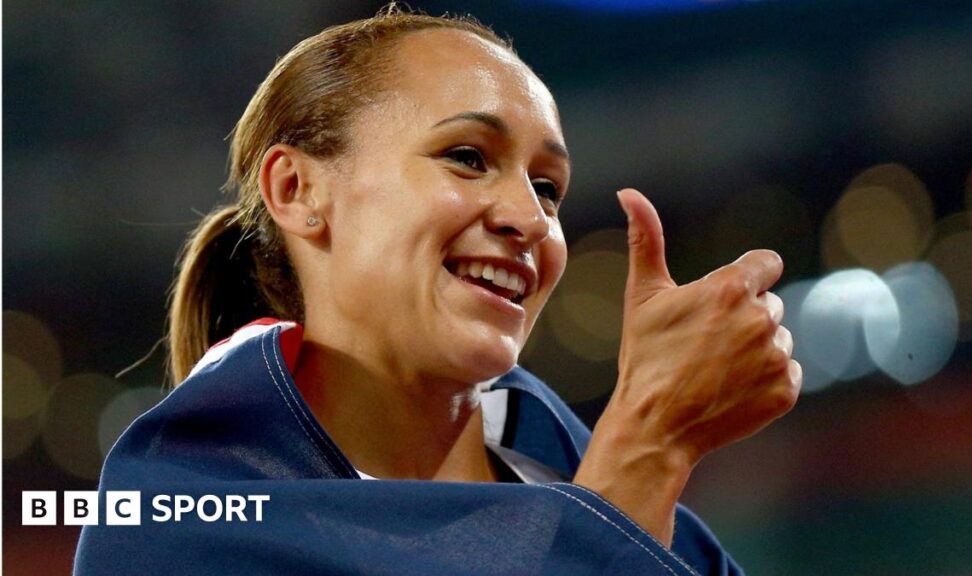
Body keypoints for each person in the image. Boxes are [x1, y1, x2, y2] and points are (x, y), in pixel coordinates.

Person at [75, 6, 800, 575]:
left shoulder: (583, 478)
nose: (531, 220)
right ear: (297, 190)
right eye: (467, 157)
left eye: (547, 188)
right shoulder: (177, 527)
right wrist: (648, 447)